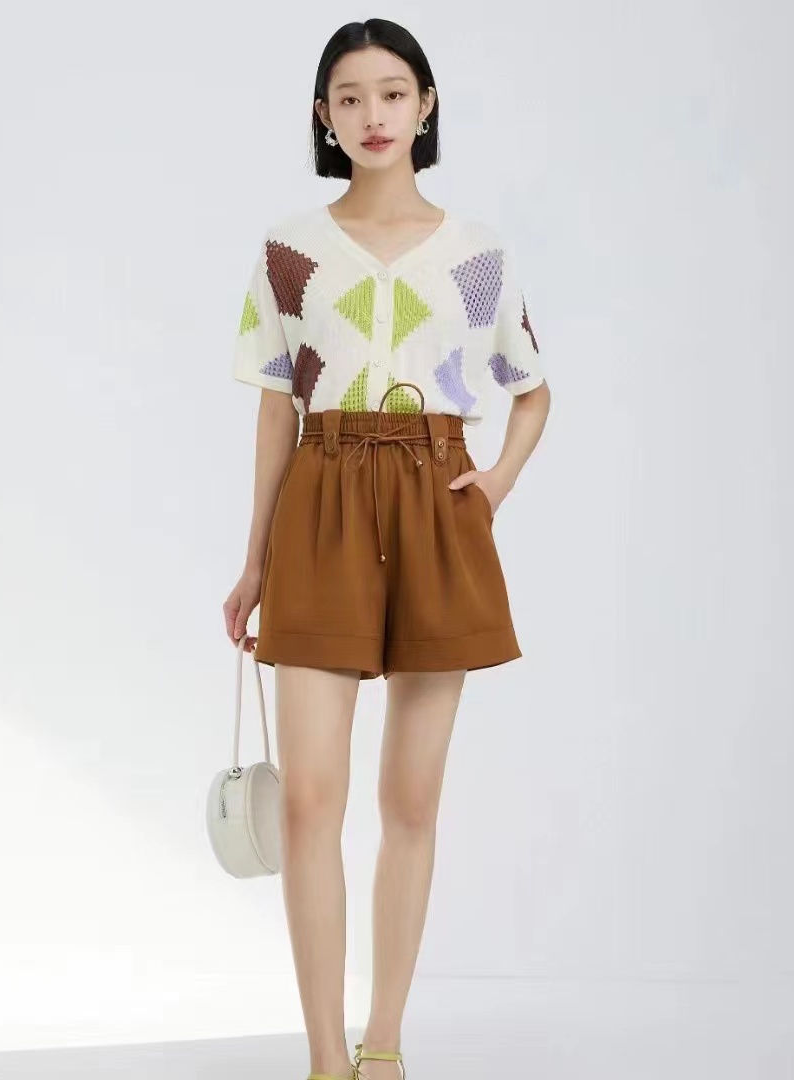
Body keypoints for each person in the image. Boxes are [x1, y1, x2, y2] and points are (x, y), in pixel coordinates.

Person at [221, 18, 551, 1080]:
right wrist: (255, 560)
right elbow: (276, 410)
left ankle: (385, 1045)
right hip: (320, 499)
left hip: (435, 504)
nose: (373, 115)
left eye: (393, 93)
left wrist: (491, 484)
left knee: (410, 799)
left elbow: (532, 390)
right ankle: (327, 1060)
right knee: (309, 801)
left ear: (426, 106)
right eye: (351, 97)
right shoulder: (289, 251)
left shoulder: (478, 252)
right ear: (324, 116)